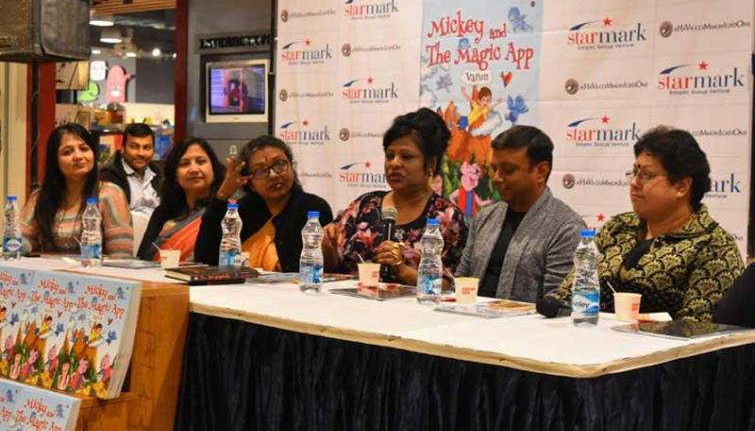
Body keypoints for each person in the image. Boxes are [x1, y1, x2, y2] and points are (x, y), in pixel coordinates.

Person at [551, 126, 743, 322]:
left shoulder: (713, 245)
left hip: (657, 341)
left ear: (681, 186)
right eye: (635, 172)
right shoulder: (618, 227)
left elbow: (699, 327)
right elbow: (565, 296)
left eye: (647, 175)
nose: (634, 182)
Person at [322, 108, 468, 284]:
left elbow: (447, 284)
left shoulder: (447, 217)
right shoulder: (366, 204)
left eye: (406, 157)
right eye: (390, 156)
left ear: (431, 163)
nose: (395, 163)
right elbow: (331, 266)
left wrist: (402, 270)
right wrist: (326, 245)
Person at [455, 126, 585, 302]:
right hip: (467, 316)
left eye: (508, 170)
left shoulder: (567, 229)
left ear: (541, 171)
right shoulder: (485, 217)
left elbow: (559, 303)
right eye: (494, 169)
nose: (496, 178)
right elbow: (461, 281)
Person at [195, 135, 333, 271]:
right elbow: (205, 259)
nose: (273, 175)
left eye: (279, 164)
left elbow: (319, 266)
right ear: (250, 183)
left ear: (292, 166)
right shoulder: (241, 213)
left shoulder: (314, 210)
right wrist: (222, 195)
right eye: (260, 171)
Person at [20, 123, 133, 257]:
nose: (78, 156)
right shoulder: (39, 197)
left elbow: (121, 257)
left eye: (84, 149)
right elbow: (19, 242)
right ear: (54, 161)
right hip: (48, 270)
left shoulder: (110, 194)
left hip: (94, 269)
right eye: (67, 152)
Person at [137, 138, 224, 262]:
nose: (194, 169)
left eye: (200, 161)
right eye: (184, 164)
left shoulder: (226, 212)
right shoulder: (163, 213)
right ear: (175, 176)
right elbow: (143, 260)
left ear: (214, 169)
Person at [100, 123, 161, 216]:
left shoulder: (159, 175)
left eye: (147, 148)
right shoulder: (108, 177)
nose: (141, 153)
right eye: (134, 147)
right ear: (122, 148)